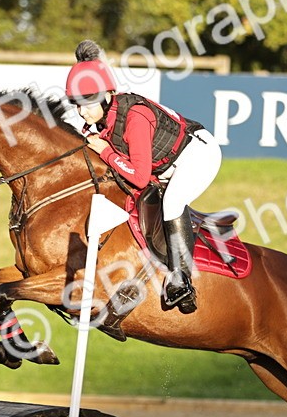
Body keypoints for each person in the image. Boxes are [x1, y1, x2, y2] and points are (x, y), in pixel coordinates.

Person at [64, 39, 221, 314]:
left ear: (108, 95)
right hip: (164, 165)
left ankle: (181, 280)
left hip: (197, 156)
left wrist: (107, 153)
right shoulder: (98, 120)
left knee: (172, 203)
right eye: (77, 104)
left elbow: (138, 177)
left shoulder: (135, 117)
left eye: (88, 103)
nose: (83, 112)